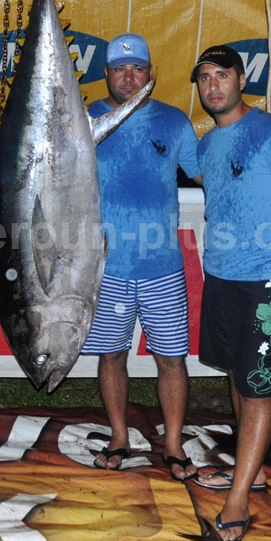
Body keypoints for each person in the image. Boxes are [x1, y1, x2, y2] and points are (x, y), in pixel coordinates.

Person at [188, 45, 271, 541]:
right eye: (204, 79)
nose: (213, 86)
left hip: (265, 282)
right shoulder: (207, 143)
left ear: (241, 78)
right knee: (239, 377)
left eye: (222, 75)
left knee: (258, 388)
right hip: (221, 278)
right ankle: (250, 470)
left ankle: (239, 498)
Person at [82, 34, 201, 481]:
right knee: (111, 355)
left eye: (137, 69)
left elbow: (209, 176)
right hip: (105, 268)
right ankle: (119, 436)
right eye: (119, 69)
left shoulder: (174, 122)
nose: (128, 77)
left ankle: (172, 443)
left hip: (162, 269)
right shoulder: (84, 118)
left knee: (172, 359)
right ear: (106, 74)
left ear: (151, 74)